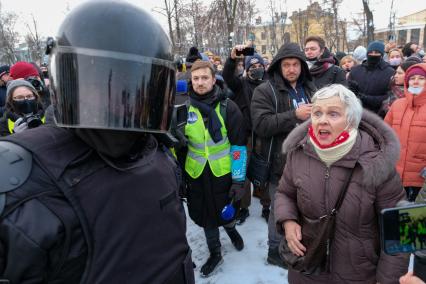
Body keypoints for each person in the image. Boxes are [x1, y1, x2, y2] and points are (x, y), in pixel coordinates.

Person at [0, 2, 195, 283]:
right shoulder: (19, 178)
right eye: (101, 83)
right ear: (71, 80)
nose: (120, 100)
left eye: (133, 87)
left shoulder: (157, 152)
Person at [275, 84, 409, 283]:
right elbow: (284, 193)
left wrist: (388, 279)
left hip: (359, 275)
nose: (322, 121)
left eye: (333, 114)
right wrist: (288, 220)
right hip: (308, 270)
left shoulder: (377, 162)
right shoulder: (299, 152)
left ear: (351, 121)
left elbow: (401, 227)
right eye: (317, 113)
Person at [251, 42, 316, 268]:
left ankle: (296, 244)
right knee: (280, 210)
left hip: (309, 161)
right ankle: (274, 251)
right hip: (279, 164)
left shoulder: (310, 89)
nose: (291, 69)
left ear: (302, 66)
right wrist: (294, 115)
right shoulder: (264, 90)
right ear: (278, 67)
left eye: (295, 64)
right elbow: (261, 124)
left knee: (303, 208)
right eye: (286, 65)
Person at [180, 60, 247, 277]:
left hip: (223, 173)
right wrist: (178, 178)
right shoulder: (183, 108)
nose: (200, 82)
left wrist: (238, 181)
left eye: (204, 78)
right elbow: (178, 148)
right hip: (196, 173)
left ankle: (231, 230)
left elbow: (238, 147)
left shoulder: (229, 107)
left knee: (225, 209)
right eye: (196, 78)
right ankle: (215, 252)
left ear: (213, 78)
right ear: (191, 80)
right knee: (207, 214)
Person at [223, 46, 269, 224]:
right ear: (247, 68)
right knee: (242, 172)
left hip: (265, 135)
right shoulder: (241, 85)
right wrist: (232, 59)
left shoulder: (269, 84)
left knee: (265, 170)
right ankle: (243, 207)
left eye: (259, 64)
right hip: (246, 136)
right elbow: (227, 77)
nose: (256, 68)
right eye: (252, 65)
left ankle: (266, 206)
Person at [385, 63, 426, 202]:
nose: (415, 81)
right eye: (412, 78)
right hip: (394, 176)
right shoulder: (398, 104)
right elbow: (384, 135)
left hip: (420, 179)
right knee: (392, 217)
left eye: (421, 78)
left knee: (415, 221)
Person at [348, 40, 395, 115]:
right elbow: (348, 91)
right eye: (370, 52)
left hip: (378, 114)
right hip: (356, 112)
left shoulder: (390, 72)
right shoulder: (355, 70)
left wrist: (365, 98)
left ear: (382, 54)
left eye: (376, 52)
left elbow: (389, 96)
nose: (373, 54)